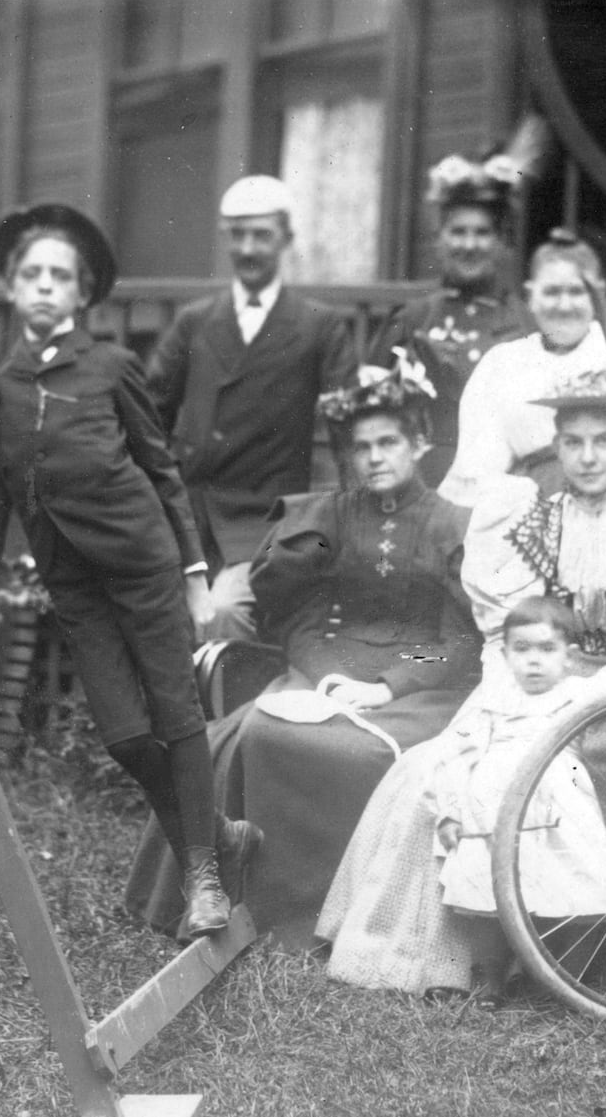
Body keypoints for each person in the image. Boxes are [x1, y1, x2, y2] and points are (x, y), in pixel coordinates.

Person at [315, 362, 606, 996]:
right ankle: (431, 951)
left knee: (532, 778)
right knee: (435, 770)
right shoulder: (532, 519)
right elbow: (503, 631)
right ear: (556, 446)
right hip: (534, 680)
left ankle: (531, 957)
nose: (588, 457)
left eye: (603, 442)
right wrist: (502, 689)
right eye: (573, 442)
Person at [0, 204, 251, 938]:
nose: (46, 287)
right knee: (124, 734)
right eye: (33, 275)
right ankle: (217, 831)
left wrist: (192, 572)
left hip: (144, 562)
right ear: (11, 287)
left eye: (62, 276)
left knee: (176, 712)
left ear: (83, 294)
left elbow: (161, 469)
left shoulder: (111, 366)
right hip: (73, 581)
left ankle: (205, 876)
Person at [125, 363, 481, 947]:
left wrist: (389, 685)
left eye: (389, 442)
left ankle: (331, 918)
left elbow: (461, 644)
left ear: (419, 444)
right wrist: (330, 675)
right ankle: (247, 903)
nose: (373, 457)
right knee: (262, 733)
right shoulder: (328, 517)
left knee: (360, 755)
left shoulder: (452, 525)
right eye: (361, 446)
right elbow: (299, 621)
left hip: (420, 686)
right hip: (325, 671)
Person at [146, 174, 353, 640]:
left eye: (262, 234)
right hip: (189, 516)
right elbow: (147, 418)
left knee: (221, 612)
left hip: (263, 522)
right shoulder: (195, 322)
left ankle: (223, 715)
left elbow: (349, 432)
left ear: (287, 238)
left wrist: (357, 522)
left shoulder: (318, 326)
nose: (248, 249)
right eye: (237, 235)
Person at [430, 596, 606, 1007]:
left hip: (559, 810)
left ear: (569, 656)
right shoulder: (493, 701)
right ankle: (492, 980)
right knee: (487, 897)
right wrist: (449, 810)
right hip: (494, 809)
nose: (533, 662)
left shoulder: (579, 694)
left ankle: (564, 981)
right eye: (522, 650)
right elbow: (457, 752)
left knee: (575, 889)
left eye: (546, 649)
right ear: (505, 655)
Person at [436, 229, 606, 509]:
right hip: (533, 510)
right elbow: (478, 469)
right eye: (551, 292)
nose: (564, 306)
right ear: (531, 295)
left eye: (577, 291)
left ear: (599, 292)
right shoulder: (502, 364)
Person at [364, 148, 533, 486]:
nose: (469, 244)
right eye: (457, 231)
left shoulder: (526, 324)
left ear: (501, 242)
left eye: (482, 233)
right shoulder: (412, 319)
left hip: (499, 488)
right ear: (440, 239)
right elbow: (370, 415)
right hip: (419, 488)